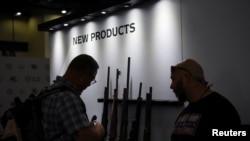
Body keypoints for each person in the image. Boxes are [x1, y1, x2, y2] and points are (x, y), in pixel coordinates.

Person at [170, 59, 241, 141]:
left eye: (173, 79)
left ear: (186, 77)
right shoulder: (184, 113)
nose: (171, 86)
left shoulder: (222, 110)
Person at [41, 54, 105, 141]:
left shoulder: (47, 91)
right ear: (83, 74)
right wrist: (99, 129)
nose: (89, 84)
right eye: (91, 79)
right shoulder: (67, 98)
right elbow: (86, 138)